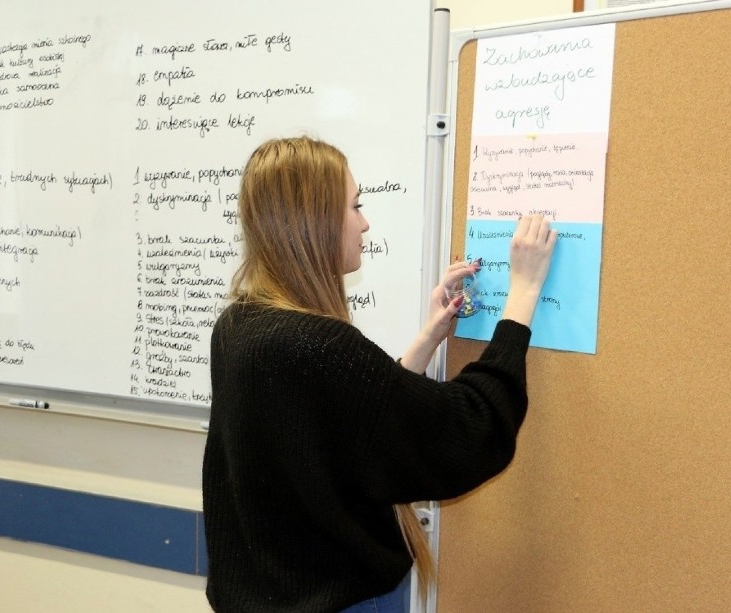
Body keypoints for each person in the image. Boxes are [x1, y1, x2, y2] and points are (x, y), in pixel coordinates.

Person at [202, 136, 557, 612]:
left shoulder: (240, 325)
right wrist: (523, 296)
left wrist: (428, 338)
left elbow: (345, 427)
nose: (365, 223)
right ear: (316, 222)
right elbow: (471, 432)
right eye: (355, 206)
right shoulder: (317, 345)